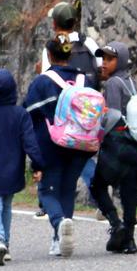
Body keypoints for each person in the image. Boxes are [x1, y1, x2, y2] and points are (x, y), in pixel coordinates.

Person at [24, 38, 96, 257]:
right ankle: (59, 240)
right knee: (67, 188)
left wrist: (34, 159)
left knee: (47, 190)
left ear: (49, 55)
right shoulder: (86, 80)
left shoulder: (42, 82)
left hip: (52, 145)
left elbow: (30, 118)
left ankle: (59, 223)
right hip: (81, 145)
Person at [0, 69, 45, 265]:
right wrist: (38, 165)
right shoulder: (20, 114)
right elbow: (30, 143)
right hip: (13, 168)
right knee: (6, 204)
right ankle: (5, 244)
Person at [91, 41, 137, 253]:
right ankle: (129, 240)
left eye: (109, 59)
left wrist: (98, 134)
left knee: (97, 185)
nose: (104, 63)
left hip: (117, 144)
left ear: (120, 60)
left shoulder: (113, 83)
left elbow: (112, 114)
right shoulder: (130, 81)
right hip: (135, 144)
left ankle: (115, 224)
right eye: (102, 59)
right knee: (129, 191)